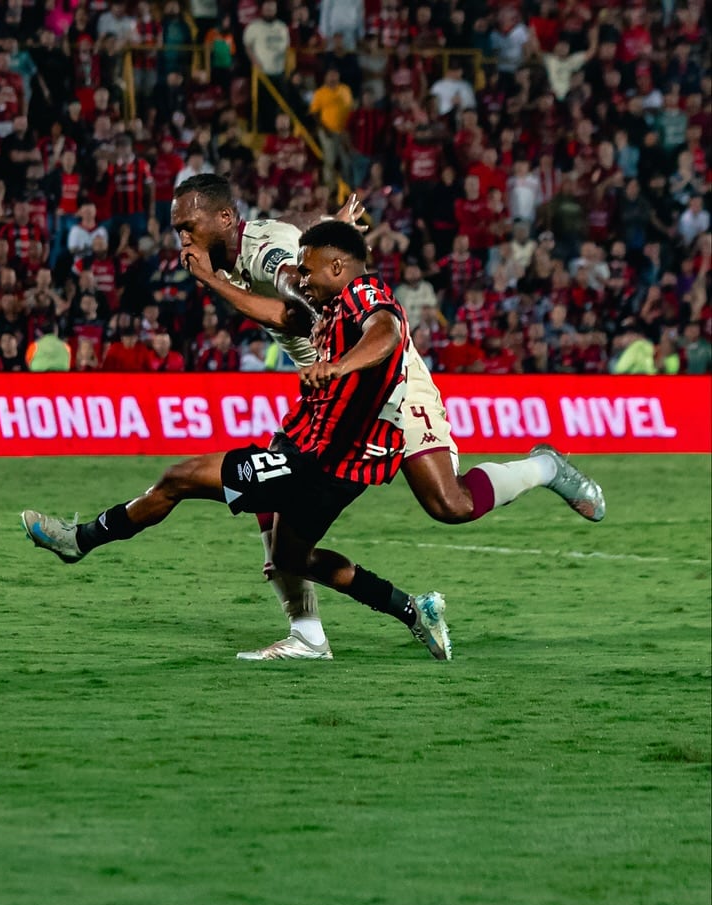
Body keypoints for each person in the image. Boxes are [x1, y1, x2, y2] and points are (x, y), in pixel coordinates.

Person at [167, 173, 606, 660]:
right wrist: (330, 228)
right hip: (333, 394)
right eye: (177, 227)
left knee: (449, 504)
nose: (182, 235)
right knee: (273, 507)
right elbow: (296, 240)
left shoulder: (264, 257)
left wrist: (218, 280)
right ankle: (308, 634)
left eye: (188, 224)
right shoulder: (241, 249)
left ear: (222, 219)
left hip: (384, 382)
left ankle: (545, 467)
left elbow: (297, 297)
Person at [22, 222, 452, 661]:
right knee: (291, 559)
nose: (301, 281)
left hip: (317, 462)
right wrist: (213, 279)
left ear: (338, 266)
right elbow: (277, 313)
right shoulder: (333, 305)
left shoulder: (364, 293)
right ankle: (412, 610)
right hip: (322, 458)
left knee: (181, 478)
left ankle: (81, 539)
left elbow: (386, 333)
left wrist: (339, 367)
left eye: (308, 272)